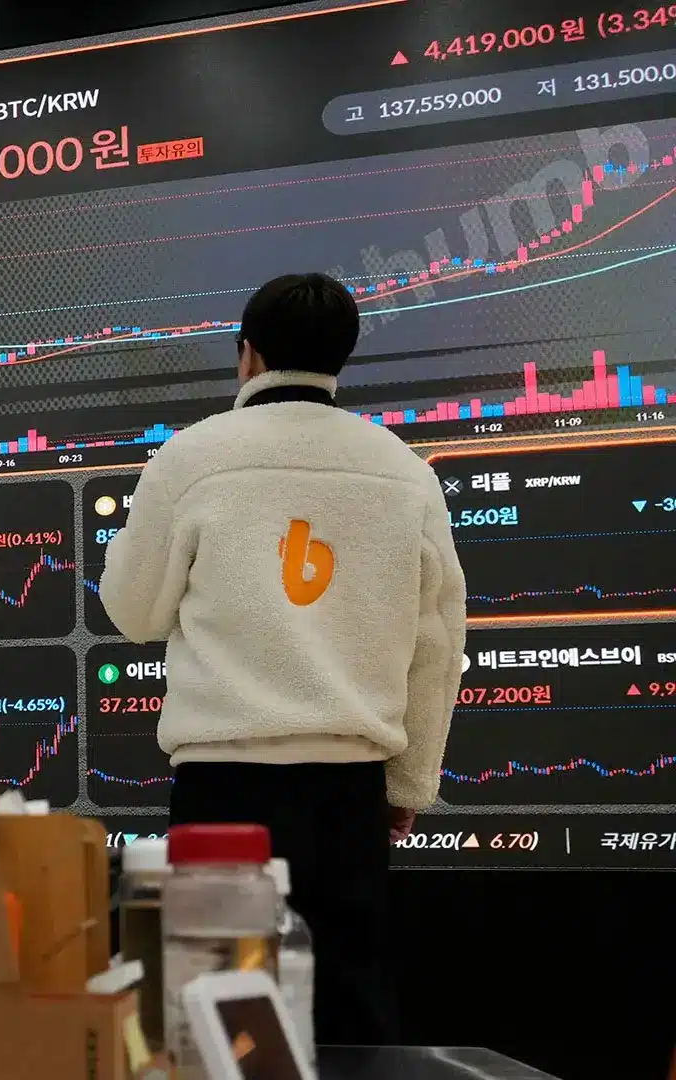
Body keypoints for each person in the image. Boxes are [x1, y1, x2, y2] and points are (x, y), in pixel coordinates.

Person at [98, 272, 466, 1045]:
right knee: (350, 1010)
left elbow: (133, 614)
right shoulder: (403, 469)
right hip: (348, 790)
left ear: (247, 354)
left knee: (211, 1016)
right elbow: (437, 644)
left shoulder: (193, 457)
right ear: (343, 358)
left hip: (223, 783)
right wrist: (408, 781)